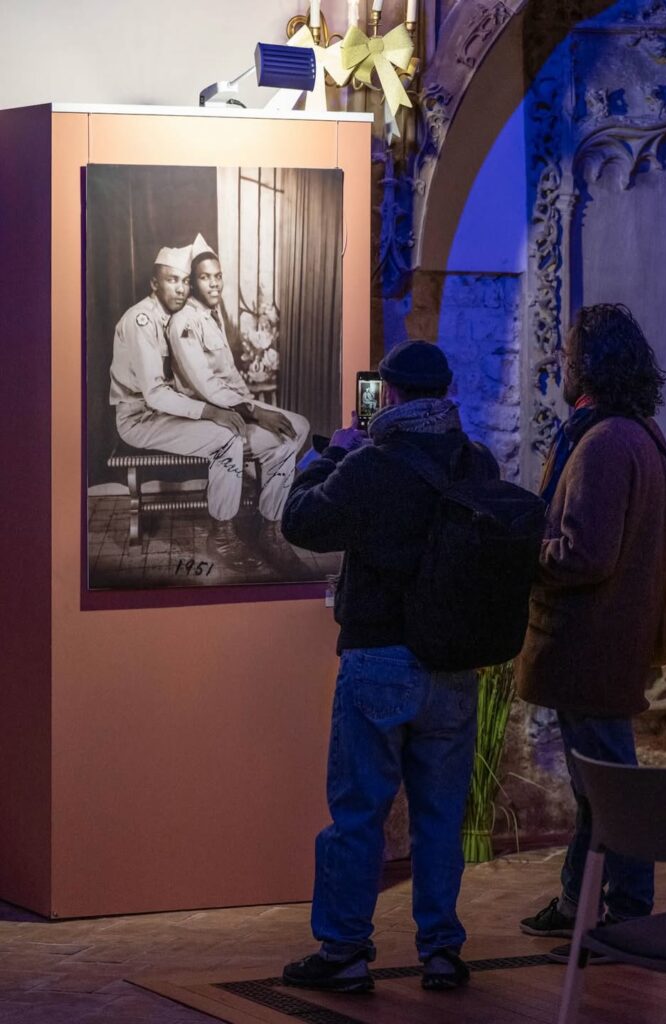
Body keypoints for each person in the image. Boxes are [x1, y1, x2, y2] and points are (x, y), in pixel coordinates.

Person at [280, 340, 493, 994]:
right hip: (452, 664)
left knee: (358, 814)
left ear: (390, 395)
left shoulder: (371, 463)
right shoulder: (476, 462)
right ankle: (441, 951)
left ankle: (345, 952)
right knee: (440, 818)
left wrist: (334, 451)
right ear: (447, 391)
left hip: (378, 660)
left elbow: (301, 522)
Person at [516, 304, 666, 957]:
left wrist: (521, 552)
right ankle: (577, 901)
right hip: (609, 641)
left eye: (568, 352)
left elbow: (585, 555)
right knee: (597, 786)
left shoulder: (604, 442)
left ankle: (627, 911)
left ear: (590, 364)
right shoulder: (638, 433)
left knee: (610, 786)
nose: (560, 361)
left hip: (591, 643)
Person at [109, 245, 264, 574]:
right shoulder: (141, 320)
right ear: (154, 284)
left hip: (162, 413)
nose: (180, 289)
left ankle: (229, 496)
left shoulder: (171, 318)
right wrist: (211, 412)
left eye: (184, 281)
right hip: (139, 419)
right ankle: (221, 537)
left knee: (232, 430)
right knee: (225, 437)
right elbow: (155, 394)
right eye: (171, 281)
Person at [168, 235, 310, 573]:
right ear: (192, 283)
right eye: (205, 277)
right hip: (203, 415)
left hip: (233, 407)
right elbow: (205, 385)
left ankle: (270, 528)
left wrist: (251, 407)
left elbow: (230, 377)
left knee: (294, 430)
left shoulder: (212, 316)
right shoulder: (183, 322)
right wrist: (255, 411)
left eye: (217, 276)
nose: (214, 283)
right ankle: (221, 535)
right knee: (236, 440)